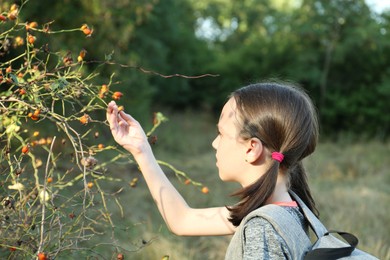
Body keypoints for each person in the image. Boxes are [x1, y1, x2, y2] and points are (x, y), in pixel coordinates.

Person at [106, 81, 319, 259]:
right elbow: (182, 220)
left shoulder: (262, 230)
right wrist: (141, 149)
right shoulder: (287, 208)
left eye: (222, 134)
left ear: (252, 148)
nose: (215, 144)